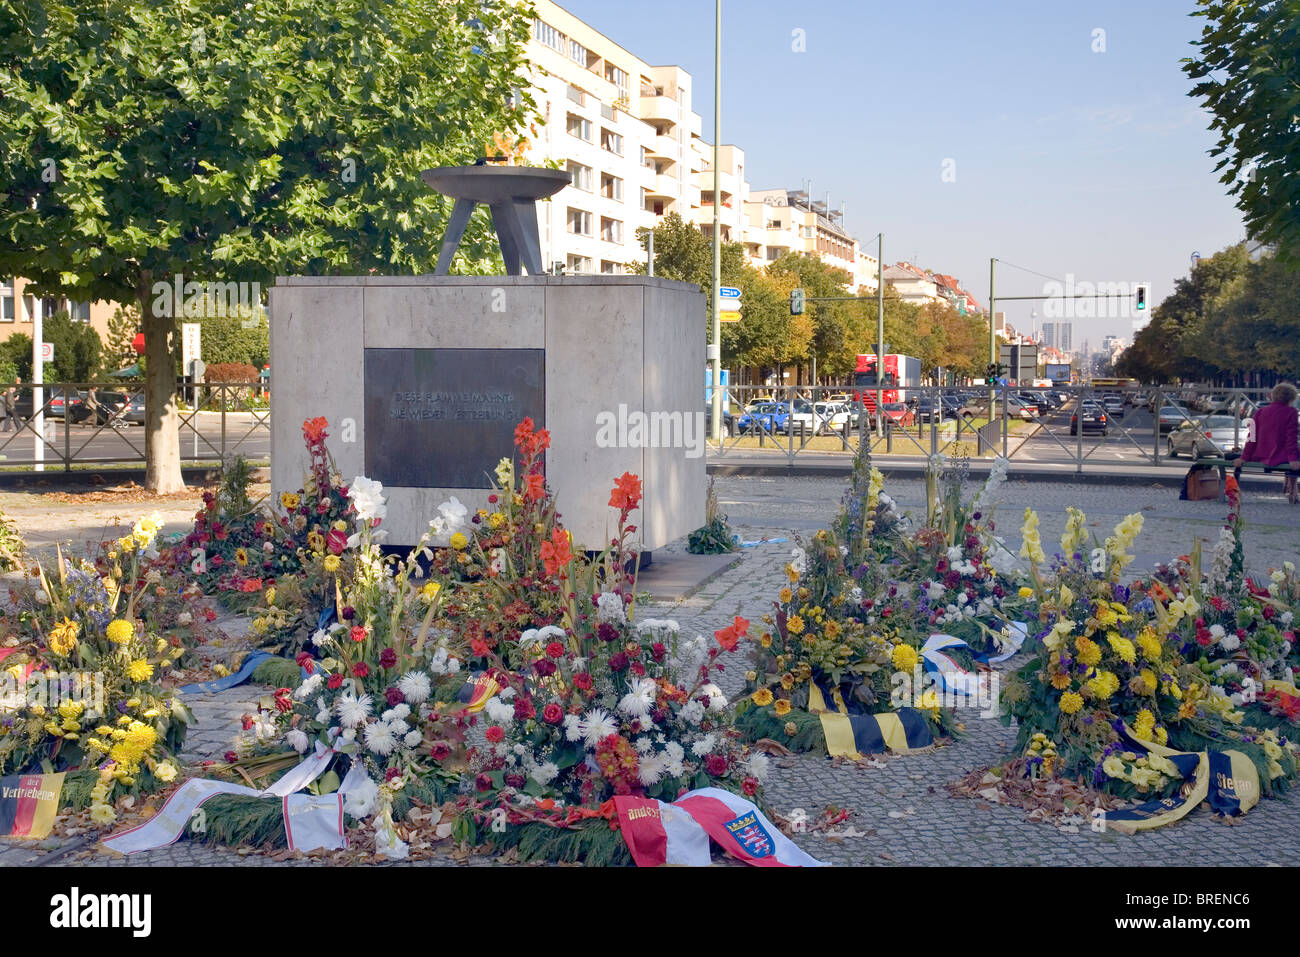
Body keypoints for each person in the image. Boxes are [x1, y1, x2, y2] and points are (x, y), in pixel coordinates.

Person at [1236, 381, 1300, 504]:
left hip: (1260, 455)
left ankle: (1290, 484)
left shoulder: (1260, 412)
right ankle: (1293, 488)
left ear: (1273, 395)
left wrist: (1244, 457)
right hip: (1282, 456)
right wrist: (1293, 459)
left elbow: (1251, 437)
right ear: (1292, 397)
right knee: (1296, 455)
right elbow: (1290, 438)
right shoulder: (1291, 412)